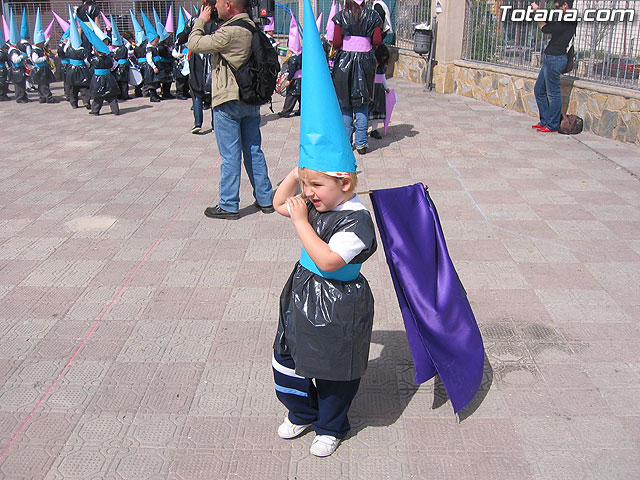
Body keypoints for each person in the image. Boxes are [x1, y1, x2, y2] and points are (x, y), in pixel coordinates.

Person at [271, 0, 377, 457]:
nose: (309, 193)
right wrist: (299, 173)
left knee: (335, 366)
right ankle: (302, 412)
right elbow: (278, 202)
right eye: (307, 185)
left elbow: (330, 259)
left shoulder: (357, 220)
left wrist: (301, 219)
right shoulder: (313, 198)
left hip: (337, 299)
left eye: (317, 185)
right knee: (290, 357)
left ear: (345, 182)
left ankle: (332, 423)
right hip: (301, 290)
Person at [188, 0, 274, 219]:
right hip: (250, 99)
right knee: (254, 151)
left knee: (230, 156)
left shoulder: (230, 32)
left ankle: (228, 204)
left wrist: (201, 20)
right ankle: (265, 199)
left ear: (229, 4)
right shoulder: (252, 27)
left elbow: (195, 43)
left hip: (229, 101)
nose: (215, 6)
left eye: (217, 3)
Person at [331, 0, 382, 154]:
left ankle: (347, 142)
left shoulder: (341, 16)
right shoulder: (374, 16)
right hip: (366, 62)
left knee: (345, 102)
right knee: (362, 102)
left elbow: (336, 41)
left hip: (344, 62)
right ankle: (361, 143)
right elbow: (377, 40)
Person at [532, 0, 577, 132]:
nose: (557, 8)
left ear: (565, 5)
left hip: (556, 59)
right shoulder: (564, 18)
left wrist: (536, 11)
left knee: (553, 93)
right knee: (539, 90)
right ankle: (545, 120)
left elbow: (546, 29)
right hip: (550, 58)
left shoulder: (569, 20)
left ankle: (552, 124)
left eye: (559, 6)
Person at [178, 16, 216, 133]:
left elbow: (181, 39)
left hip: (200, 57)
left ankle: (198, 123)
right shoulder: (219, 17)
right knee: (212, 92)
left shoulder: (195, 19)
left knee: (197, 91)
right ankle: (213, 124)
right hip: (210, 55)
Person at [368, 43, 390, 139]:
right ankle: (363, 129)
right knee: (368, 110)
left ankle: (374, 129)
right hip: (370, 90)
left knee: (377, 112)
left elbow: (383, 77)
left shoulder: (382, 67)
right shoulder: (370, 64)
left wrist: (386, 87)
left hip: (379, 91)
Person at [277, 50, 301, 118]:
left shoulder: (293, 58)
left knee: (291, 96)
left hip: (294, 80)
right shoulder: (301, 56)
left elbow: (292, 71)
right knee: (300, 97)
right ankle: (301, 110)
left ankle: (286, 112)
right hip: (301, 79)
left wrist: (289, 80)